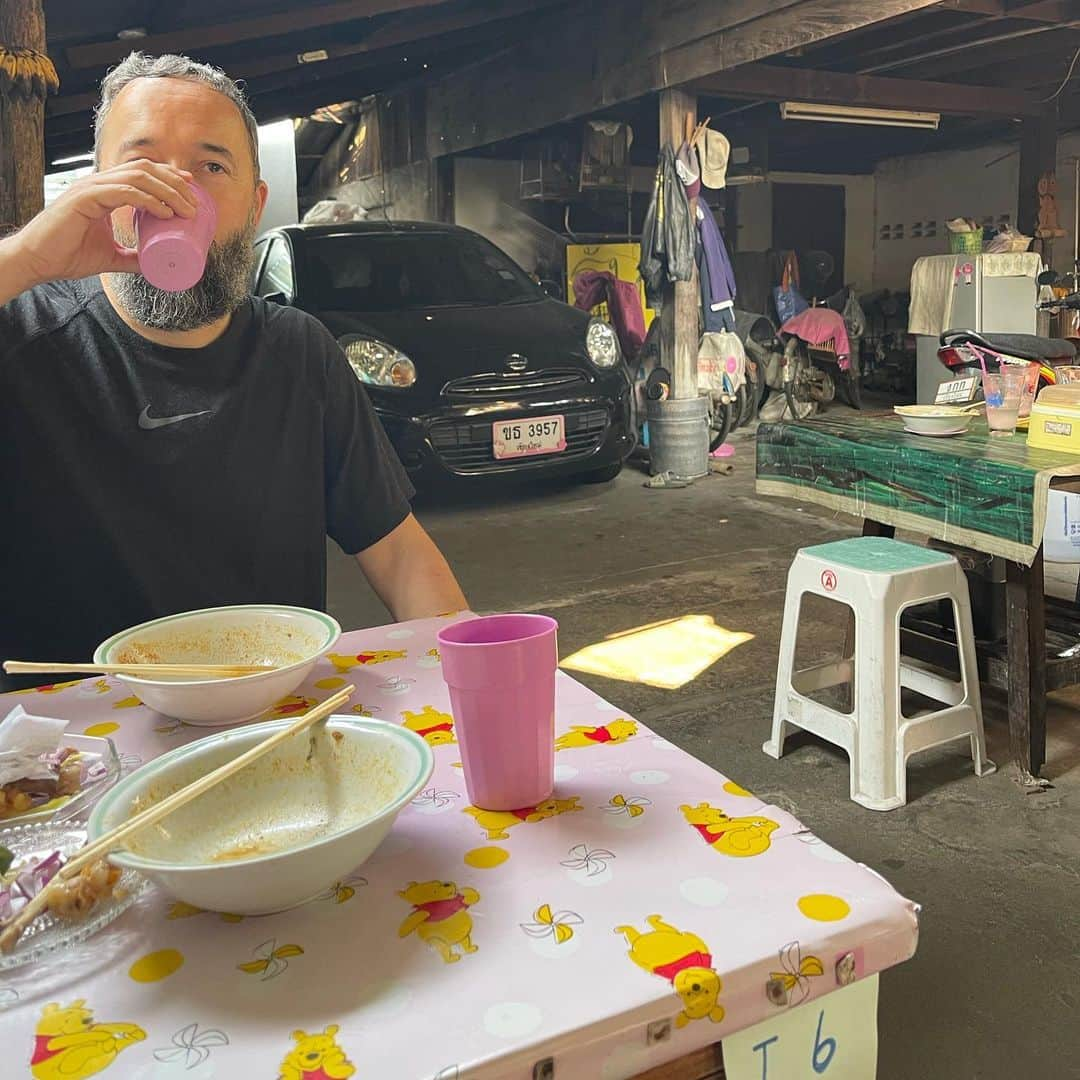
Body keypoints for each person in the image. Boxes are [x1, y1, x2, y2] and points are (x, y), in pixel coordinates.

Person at [0, 53, 466, 690]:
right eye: (141, 163)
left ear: (254, 203)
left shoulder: (299, 352)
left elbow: (398, 551)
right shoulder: (20, 333)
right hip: (69, 755)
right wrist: (24, 258)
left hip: (269, 717)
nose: (172, 191)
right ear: (95, 187)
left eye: (210, 166)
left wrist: (478, 677)